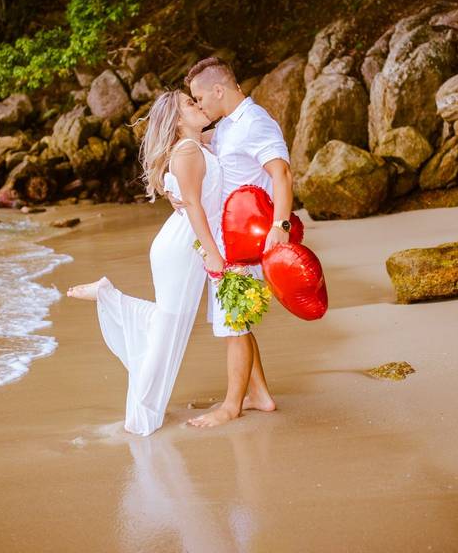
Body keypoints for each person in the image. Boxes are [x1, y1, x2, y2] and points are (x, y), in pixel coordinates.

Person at [65, 90, 225, 436]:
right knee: (170, 327)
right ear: (178, 120)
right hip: (183, 245)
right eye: (189, 104)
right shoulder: (187, 150)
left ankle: (111, 299)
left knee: (170, 324)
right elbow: (195, 206)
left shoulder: (199, 144)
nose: (198, 105)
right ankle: (141, 415)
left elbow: (227, 136)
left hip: (186, 241)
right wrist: (211, 252)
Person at [178, 56, 294, 428]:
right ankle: (259, 394)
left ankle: (231, 406)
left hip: (247, 240)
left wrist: (282, 224)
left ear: (218, 89)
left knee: (233, 328)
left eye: (199, 97)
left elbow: (282, 173)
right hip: (229, 240)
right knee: (238, 321)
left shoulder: (255, 122)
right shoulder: (229, 125)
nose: (198, 105)